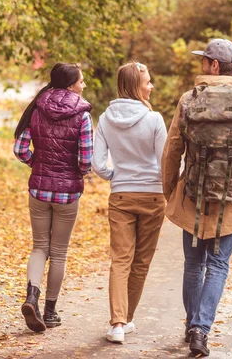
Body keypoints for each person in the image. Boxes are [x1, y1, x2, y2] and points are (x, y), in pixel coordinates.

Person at [162, 39, 232, 357]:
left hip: (193, 193)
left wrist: (169, 189)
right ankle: (202, 330)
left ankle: (192, 325)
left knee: (193, 264)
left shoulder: (189, 99)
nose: (201, 65)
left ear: (214, 66)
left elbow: (173, 148)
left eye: (204, 61)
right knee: (218, 264)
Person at [13, 62, 93, 333]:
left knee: (39, 247)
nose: (84, 86)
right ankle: (49, 311)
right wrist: (76, 172)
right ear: (71, 84)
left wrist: (39, 164)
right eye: (82, 82)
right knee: (59, 252)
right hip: (68, 193)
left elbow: (21, 148)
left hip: (38, 189)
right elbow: (85, 160)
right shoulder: (82, 112)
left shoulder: (36, 106)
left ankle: (30, 298)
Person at [92, 61, 167, 343]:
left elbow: (98, 165)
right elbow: (165, 162)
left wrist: (117, 176)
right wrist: (162, 185)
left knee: (120, 260)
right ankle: (127, 319)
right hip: (152, 196)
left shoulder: (106, 118)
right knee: (141, 262)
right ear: (136, 85)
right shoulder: (155, 119)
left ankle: (118, 324)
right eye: (147, 82)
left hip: (121, 196)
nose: (151, 86)